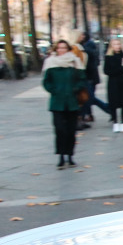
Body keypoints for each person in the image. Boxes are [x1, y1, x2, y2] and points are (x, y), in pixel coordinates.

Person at [42, 40, 84, 168]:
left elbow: (81, 79)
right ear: (56, 49)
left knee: (71, 130)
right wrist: (53, 90)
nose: (62, 50)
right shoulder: (50, 62)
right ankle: (61, 156)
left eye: (64, 48)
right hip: (57, 102)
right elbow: (46, 81)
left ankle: (70, 156)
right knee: (60, 130)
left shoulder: (75, 61)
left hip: (71, 101)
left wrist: (75, 89)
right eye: (59, 48)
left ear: (68, 49)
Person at [77, 31, 111, 120]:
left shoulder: (86, 49)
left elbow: (91, 64)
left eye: (82, 35)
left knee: (89, 97)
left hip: (89, 77)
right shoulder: (89, 47)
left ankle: (108, 109)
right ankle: (88, 115)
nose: (81, 37)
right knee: (88, 97)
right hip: (91, 77)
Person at [104, 38, 123, 132]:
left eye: (118, 44)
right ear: (111, 46)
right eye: (115, 44)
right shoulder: (108, 57)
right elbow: (106, 71)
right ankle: (115, 123)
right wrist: (121, 69)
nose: (117, 46)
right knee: (114, 103)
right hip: (113, 83)